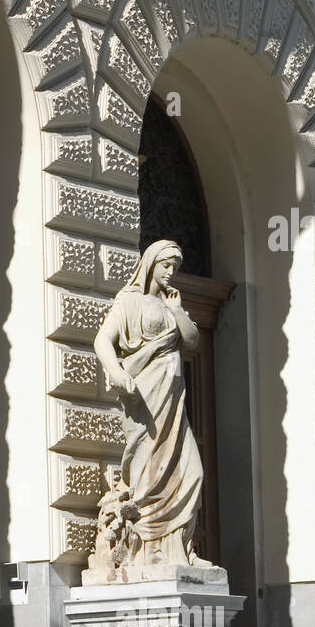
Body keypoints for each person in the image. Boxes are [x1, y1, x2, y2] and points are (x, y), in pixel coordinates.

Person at [92, 239, 208, 567]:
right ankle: (146, 550)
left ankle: (180, 549)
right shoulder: (130, 301)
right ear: (151, 264)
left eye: (175, 267)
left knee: (192, 473)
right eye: (165, 265)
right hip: (145, 398)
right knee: (146, 471)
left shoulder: (170, 304)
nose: (171, 272)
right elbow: (103, 339)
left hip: (174, 403)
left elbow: (192, 341)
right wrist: (115, 370)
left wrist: (178, 310)